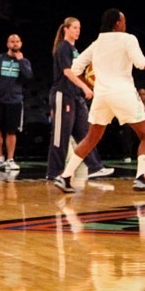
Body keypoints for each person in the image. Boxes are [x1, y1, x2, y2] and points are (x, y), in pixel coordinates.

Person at [53, 9, 145, 194]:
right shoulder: (128, 39)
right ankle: (141, 178)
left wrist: (92, 85)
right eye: (123, 20)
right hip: (123, 93)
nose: (125, 23)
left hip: (102, 95)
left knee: (91, 138)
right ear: (117, 23)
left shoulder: (97, 43)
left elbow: (75, 69)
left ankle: (65, 176)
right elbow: (141, 63)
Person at [46, 17, 114, 182]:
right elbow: (68, 72)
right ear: (66, 29)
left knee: (84, 133)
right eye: (75, 27)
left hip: (76, 96)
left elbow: (80, 73)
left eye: (79, 28)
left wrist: (89, 86)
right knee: (61, 135)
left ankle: (95, 167)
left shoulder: (75, 50)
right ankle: (54, 172)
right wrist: (85, 87)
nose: (78, 31)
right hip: (63, 94)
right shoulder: (63, 47)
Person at [0, 34, 33, 171]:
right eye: (12, 41)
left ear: (21, 44)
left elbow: (28, 77)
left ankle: (10, 160)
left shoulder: (24, 61)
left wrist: (20, 61)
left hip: (14, 100)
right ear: (7, 44)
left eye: (17, 41)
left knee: (11, 131)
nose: (15, 44)